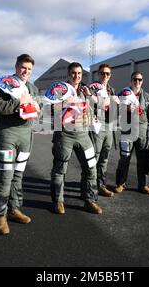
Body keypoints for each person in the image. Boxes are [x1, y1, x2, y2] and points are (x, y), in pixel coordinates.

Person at [0, 54, 41, 235]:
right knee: (6, 176)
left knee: (18, 176)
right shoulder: (4, 84)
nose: (25, 72)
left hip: (26, 136)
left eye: (29, 69)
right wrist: (19, 101)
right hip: (8, 136)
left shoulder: (33, 87)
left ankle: (14, 210)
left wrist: (37, 108)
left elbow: (37, 111)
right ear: (16, 66)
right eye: (23, 67)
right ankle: (0, 217)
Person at [50, 62, 103, 215]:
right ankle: (58, 202)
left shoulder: (86, 90)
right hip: (65, 134)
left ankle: (89, 200)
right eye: (73, 73)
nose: (76, 76)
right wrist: (64, 105)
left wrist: (90, 97)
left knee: (91, 167)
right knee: (60, 170)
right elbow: (49, 110)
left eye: (79, 73)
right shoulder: (60, 90)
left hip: (83, 134)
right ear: (68, 74)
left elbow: (100, 107)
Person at [115, 71, 149, 195]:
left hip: (142, 132)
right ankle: (120, 183)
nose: (137, 82)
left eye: (140, 80)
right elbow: (115, 109)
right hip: (127, 130)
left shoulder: (147, 96)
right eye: (135, 79)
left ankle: (143, 185)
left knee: (143, 159)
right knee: (124, 158)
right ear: (131, 81)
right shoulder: (123, 94)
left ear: (142, 81)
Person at [86, 64, 119, 198]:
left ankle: (101, 185)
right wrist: (109, 100)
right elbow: (91, 102)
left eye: (107, 74)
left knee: (104, 158)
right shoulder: (93, 87)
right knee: (94, 157)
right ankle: (89, 187)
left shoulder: (111, 89)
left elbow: (114, 107)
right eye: (102, 73)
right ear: (98, 74)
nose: (105, 76)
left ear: (110, 75)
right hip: (97, 126)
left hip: (109, 126)